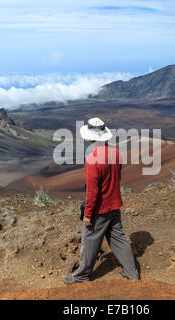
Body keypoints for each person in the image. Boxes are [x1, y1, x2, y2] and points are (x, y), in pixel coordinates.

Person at [63, 117, 140, 284]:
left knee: (89, 242)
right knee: (119, 239)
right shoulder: (116, 153)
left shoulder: (92, 159)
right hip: (115, 205)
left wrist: (88, 215)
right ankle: (132, 273)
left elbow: (92, 193)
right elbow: (116, 177)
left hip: (99, 209)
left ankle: (82, 275)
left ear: (92, 136)